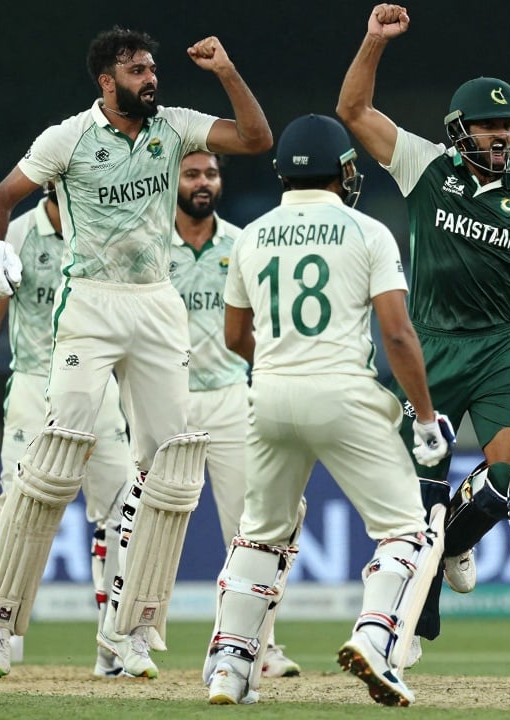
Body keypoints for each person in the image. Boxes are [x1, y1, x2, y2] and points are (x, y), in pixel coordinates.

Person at [0, 25, 272, 679]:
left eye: (152, 68)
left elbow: (256, 139)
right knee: (55, 459)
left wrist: (226, 71)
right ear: (107, 82)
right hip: (90, 307)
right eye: (137, 70)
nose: (151, 78)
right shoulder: (68, 139)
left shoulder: (177, 128)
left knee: (169, 473)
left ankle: (129, 632)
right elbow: (2, 198)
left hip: (156, 304)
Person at [337, 1, 510, 667]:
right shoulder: (423, 165)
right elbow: (354, 112)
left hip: (499, 346)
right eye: (490, 126)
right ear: (460, 130)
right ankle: (407, 627)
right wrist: (373, 41)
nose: (503, 137)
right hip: (426, 347)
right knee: (416, 500)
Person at [204, 114, 453, 706]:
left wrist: (285, 361)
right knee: (406, 533)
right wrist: (423, 416)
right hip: (342, 390)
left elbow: (236, 336)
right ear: (344, 171)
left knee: (259, 537)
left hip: (268, 392)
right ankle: (374, 638)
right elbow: (397, 335)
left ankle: (230, 670)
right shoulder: (367, 231)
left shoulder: (250, 235)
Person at [0, 182, 135, 678]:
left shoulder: (106, 235)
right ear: (54, 186)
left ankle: (116, 640)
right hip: (34, 385)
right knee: (16, 512)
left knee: (122, 513)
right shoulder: (18, 234)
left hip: (96, 385)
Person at [169, 150, 300, 679]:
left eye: (212, 174)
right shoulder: (150, 248)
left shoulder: (243, 242)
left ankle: (259, 645)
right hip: (165, 398)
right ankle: (121, 645)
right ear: (173, 181)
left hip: (229, 397)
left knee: (252, 528)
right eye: (192, 174)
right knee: (147, 528)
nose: (204, 183)